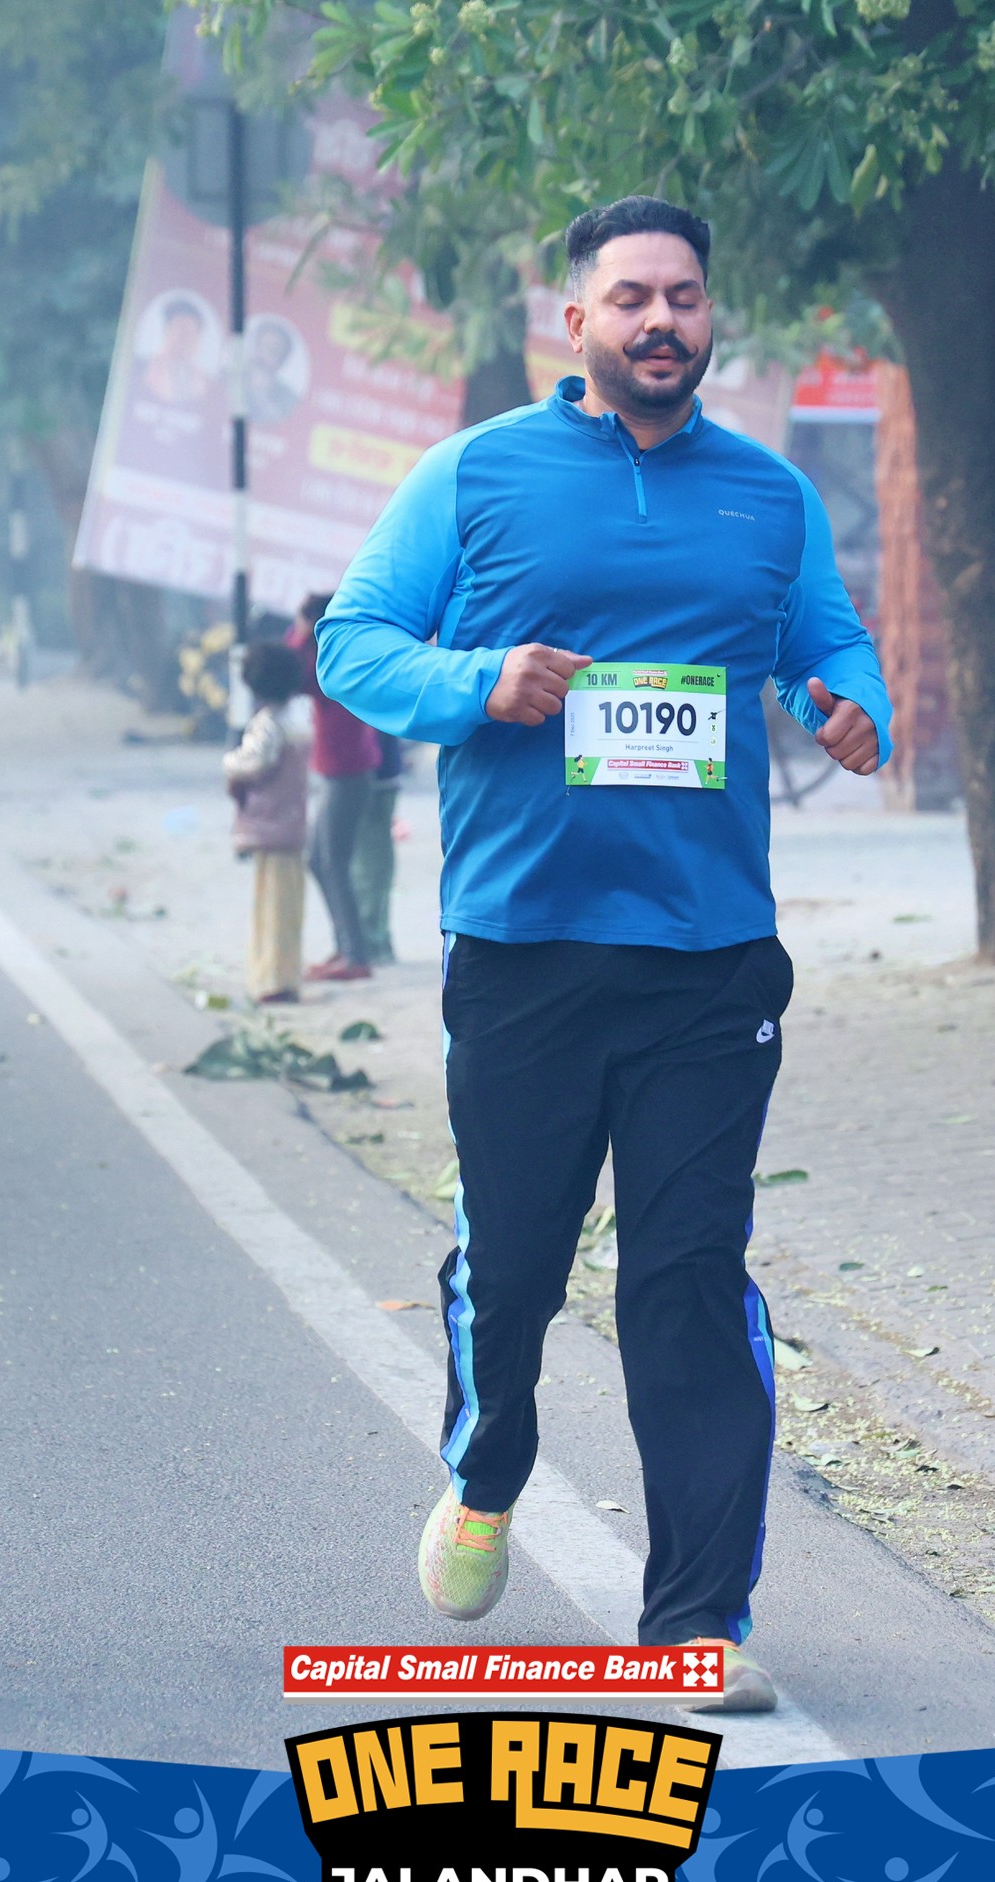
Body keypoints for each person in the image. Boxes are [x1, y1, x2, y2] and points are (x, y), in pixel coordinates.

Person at [317, 196, 888, 1713]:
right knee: (514, 1268)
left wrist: (851, 705)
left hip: (710, 958)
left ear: (710, 317)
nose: (660, 321)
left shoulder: (768, 496)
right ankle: (489, 1459)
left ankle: (696, 1621)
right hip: (526, 949)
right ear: (574, 321)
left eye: (683, 296)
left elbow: (825, 645)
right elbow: (354, 641)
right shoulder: (477, 474)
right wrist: (482, 684)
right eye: (630, 297)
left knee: (687, 1278)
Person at [296, 589, 380, 983]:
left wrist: (300, 632)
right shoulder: (335, 656)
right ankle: (346, 946)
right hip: (341, 771)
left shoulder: (330, 664)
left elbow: (291, 673)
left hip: (346, 774)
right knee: (320, 859)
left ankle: (355, 955)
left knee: (332, 861)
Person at [224, 639, 310, 1004]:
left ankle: (273, 980)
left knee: (271, 905)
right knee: (288, 905)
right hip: (292, 822)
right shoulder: (297, 718)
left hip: (270, 823)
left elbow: (254, 763)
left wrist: (229, 763)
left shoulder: (267, 725)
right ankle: (284, 975)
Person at [353, 732, 404, 965]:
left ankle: (372, 940)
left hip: (373, 774)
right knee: (377, 859)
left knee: (369, 863)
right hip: (383, 772)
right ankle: (378, 939)